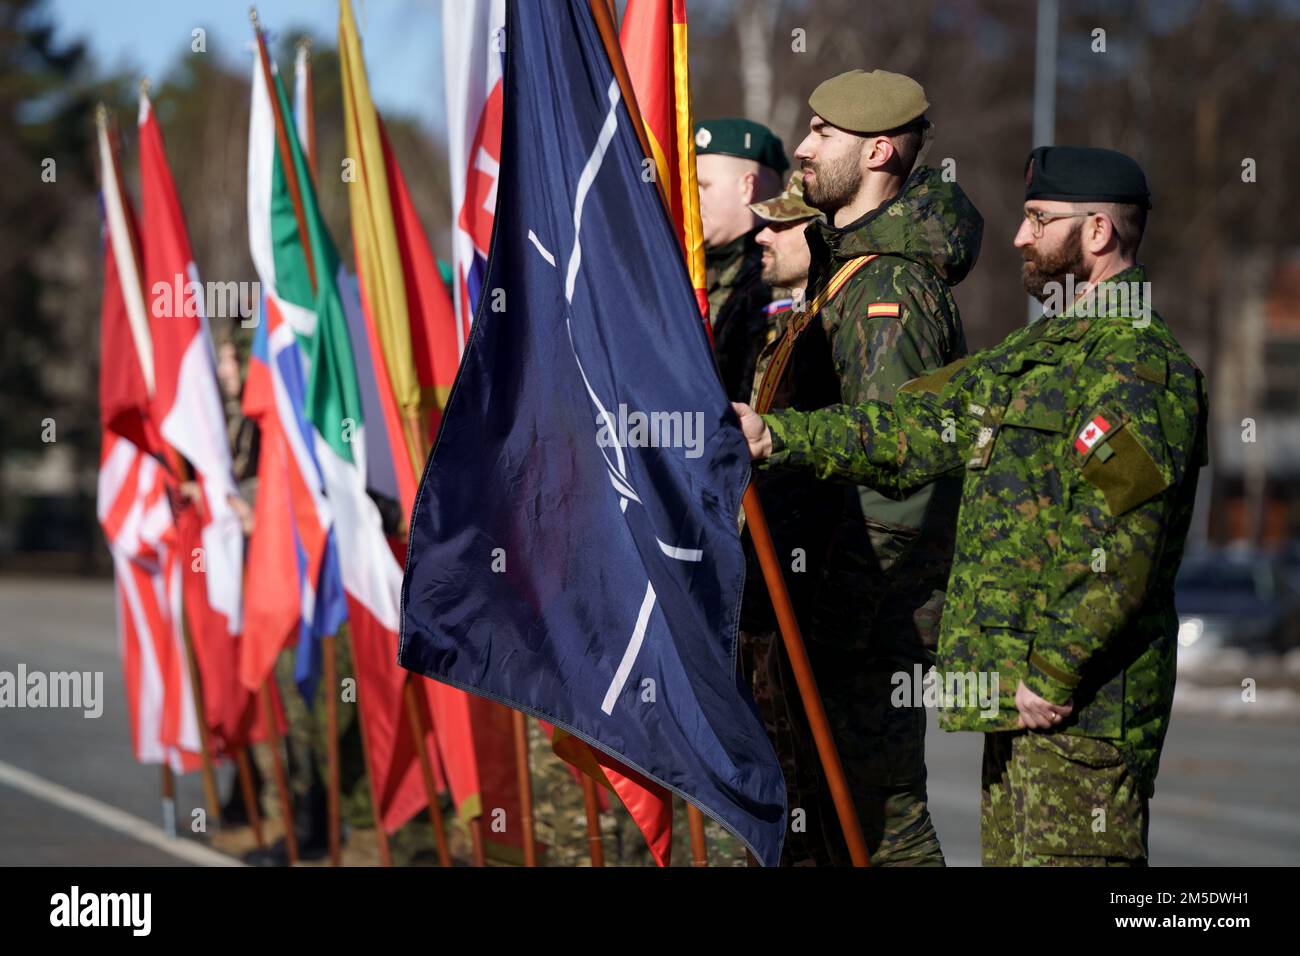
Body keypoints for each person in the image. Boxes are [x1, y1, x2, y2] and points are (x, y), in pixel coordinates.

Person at [735, 145, 1209, 866]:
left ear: (1098, 233)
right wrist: (776, 434)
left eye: (1039, 220)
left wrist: (1052, 672)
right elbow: (909, 428)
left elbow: (1119, 546)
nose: (1020, 237)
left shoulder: (1135, 367)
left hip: (1080, 713)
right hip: (1020, 705)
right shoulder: (1037, 354)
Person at [740, 69, 983, 867]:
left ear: (878, 150)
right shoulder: (853, 268)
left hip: (861, 619)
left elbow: (905, 454)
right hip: (833, 606)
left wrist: (840, 622)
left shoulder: (887, 285)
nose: (803, 148)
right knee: (829, 824)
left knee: (879, 832)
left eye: (822, 134)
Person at [695, 117, 787, 401]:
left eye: (703, 185)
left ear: (747, 187)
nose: (691, 197)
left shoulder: (780, 279)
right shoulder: (693, 267)